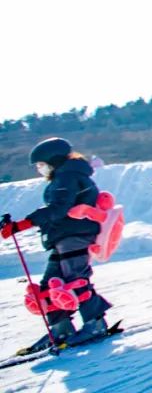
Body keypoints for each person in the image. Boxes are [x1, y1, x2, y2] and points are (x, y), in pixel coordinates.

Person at [1, 138, 112, 351]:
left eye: (41, 164)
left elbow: (59, 208)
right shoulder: (65, 176)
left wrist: (23, 224)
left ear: (54, 160)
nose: (39, 168)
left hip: (75, 234)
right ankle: (61, 328)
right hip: (63, 235)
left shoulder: (68, 176)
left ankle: (95, 323)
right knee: (49, 285)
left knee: (75, 280)